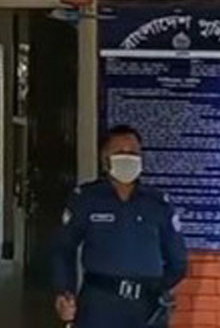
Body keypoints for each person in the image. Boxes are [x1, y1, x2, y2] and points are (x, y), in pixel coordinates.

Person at [50, 125, 188, 327]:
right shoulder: (87, 199)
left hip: (146, 308)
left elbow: (178, 261)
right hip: (100, 305)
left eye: (133, 153)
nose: (128, 158)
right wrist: (64, 292)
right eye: (121, 153)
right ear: (105, 159)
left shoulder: (158, 203)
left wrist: (157, 288)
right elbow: (63, 248)